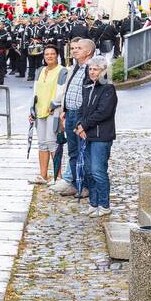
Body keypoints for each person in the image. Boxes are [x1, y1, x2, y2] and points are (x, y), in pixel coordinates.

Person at [75, 56, 117, 217]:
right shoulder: (87, 87)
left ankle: (104, 205)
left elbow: (103, 112)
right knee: (88, 171)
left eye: (96, 69)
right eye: (91, 69)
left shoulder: (108, 88)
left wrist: (84, 125)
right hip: (87, 135)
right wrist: (79, 125)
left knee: (98, 171)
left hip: (101, 136)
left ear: (103, 71)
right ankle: (93, 203)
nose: (92, 72)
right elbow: (82, 109)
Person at [59, 37, 95, 198]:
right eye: (74, 48)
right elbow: (68, 90)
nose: (74, 50)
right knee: (73, 151)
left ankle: (85, 185)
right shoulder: (75, 67)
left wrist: (85, 119)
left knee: (84, 152)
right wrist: (64, 110)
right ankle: (75, 184)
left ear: (88, 52)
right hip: (70, 113)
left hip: (82, 115)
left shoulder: (93, 68)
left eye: (79, 48)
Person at [28, 44, 65, 185]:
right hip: (40, 110)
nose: (49, 56)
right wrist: (31, 109)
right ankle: (43, 175)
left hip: (53, 111)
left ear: (57, 55)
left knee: (53, 143)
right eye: (47, 54)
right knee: (42, 144)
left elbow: (62, 91)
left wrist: (54, 104)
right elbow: (35, 92)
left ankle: (58, 177)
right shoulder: (40, 71)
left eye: (52, 54)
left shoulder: (62, 71)